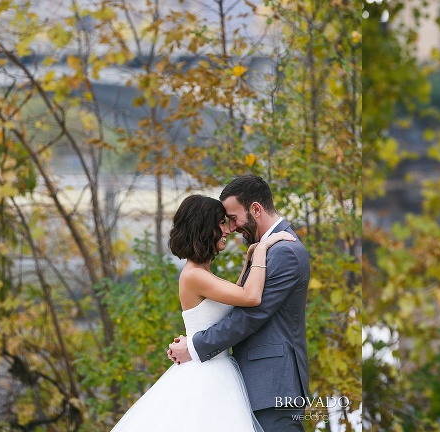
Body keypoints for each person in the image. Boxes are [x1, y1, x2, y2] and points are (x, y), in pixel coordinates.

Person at [111, 194, 295, 432]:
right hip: (207, 373)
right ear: (204, 228)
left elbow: (235, 298)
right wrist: (263, 249)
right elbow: (251, 297)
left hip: (216, 366)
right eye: (221, 223)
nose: (228, 229)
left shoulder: (202, 274)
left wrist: (250, 258)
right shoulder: (194, 276)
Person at [168, 174, 311, 432]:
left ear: (255, 209)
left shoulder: (284, 252)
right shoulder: (265, 250)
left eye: (232, 219)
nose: (230, 228)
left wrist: (195, 345)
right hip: (246, 382)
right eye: (224, 223)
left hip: (272, 383)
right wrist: (257, 252)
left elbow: (251, 313)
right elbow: (243, 301)